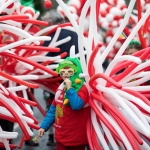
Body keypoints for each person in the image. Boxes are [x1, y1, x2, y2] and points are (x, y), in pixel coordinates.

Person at [41, 10, 79, 146]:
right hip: (77, 78)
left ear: (51, 22)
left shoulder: (52, 34)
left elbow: (43, 57)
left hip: (54, 80)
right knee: (75, 107)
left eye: (46, 23)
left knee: (54, 107)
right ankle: (76, 136)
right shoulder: (76, 32)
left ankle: (53, 135)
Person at [38, 57, 90, 150]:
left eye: (69, 71)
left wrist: (70, 89)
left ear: (76, 71)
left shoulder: (83, 88)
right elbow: (53, 110)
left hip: (76, 140)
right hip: (61, 138)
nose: (66, 74)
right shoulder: (61, 89)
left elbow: (76, 105)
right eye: (62, 71)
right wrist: (44, 127)